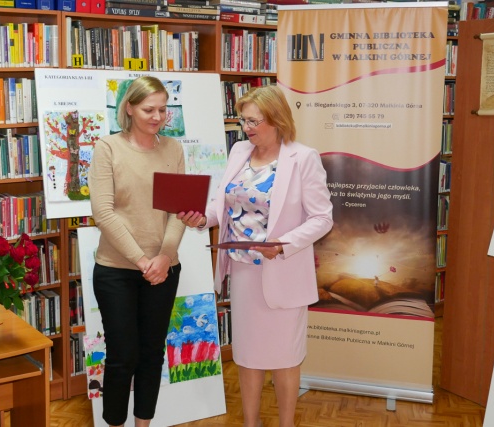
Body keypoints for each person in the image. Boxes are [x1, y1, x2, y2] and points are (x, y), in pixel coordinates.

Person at [179, 85, 333, 427]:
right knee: (248, 356)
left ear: (276, 120)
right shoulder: (239, 152)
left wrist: (283, 244)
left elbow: (323, 218)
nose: (246, 128)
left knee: (285, 357)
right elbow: (224, 203)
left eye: (253, 121)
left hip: (283, 272)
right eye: (243, 120)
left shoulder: (303, 158)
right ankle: (251, 423)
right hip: (244, 273)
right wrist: (203, 218)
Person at [89, 76, 186, 427]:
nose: (157, 116)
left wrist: (164, 257)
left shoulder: (173, 150)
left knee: (151, 354)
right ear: (129, 108)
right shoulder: (108, 148)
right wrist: (143, 261)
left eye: (162, 109)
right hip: (116, 270)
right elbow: (103, 213)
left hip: (163, 268)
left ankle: (143, 424)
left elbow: (179, 211)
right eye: (148, 109)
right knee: (122, 356)